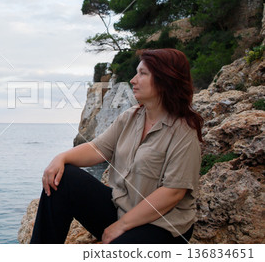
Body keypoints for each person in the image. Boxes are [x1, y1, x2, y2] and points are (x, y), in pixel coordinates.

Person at [30, 48, 204, 244]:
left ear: (165, 80)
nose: (133, 80)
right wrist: (60, 158)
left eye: (142, 73)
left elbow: (173, 193)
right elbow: (97, 149)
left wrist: (121, 226)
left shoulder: (183, 130)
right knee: (63, 179)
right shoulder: (131, 117)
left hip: (162, 225)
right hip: (122, 209)